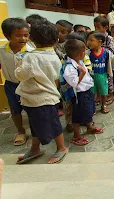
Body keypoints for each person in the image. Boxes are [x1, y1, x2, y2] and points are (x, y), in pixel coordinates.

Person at [15, 18, 68, 164]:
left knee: (52, 124)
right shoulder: (54, 55)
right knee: (36, 125)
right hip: (44, 97)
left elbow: (21, 75)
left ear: (31, 38)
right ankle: (35, 149)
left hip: (39, 98)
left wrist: (19, 63)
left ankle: (62, 147)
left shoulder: (31, 57)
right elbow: (57, 77)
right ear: (56, 39)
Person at [63, 39, 104, 146]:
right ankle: (76, 136)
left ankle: (90, 127)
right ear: (81, 53)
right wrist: (83, 72)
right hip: (79, 95)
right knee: (78, 115)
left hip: (87, 92)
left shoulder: (79, 62)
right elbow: (74, 83)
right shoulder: (69, 67)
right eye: (84, 51)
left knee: (89, 111)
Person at [0, 18, 33, 147]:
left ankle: (36, 131)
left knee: (31, 109)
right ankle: (20, 131)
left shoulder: (30, 51)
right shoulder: (2, 51)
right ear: (8, 36)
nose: (23, 38)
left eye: (26, 35)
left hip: (28, 85)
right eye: (19, 35)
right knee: (15, 109)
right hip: (11, 85)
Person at [87, 32, 114, 114]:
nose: (88, 42)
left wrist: (109, 68)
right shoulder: (88, 53)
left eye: (91, 40)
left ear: (99, 42)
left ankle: (103, 106)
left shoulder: (106, 53)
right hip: (91, 77)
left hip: (103, 75)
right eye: (88, 40)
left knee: (104, 92)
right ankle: (92, 108)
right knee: (92, 93)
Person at [94, 16, 114, 105]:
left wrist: (101, 50)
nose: (96, 29)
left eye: (98, 27)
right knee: (97, 78)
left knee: (108, 78)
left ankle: (110, 94)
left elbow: (111, 50)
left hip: (106, 62)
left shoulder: (109, 38)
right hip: (97, 62)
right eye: (95, 27)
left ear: (105, 27)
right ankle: (99, 95)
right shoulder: (94, 37)